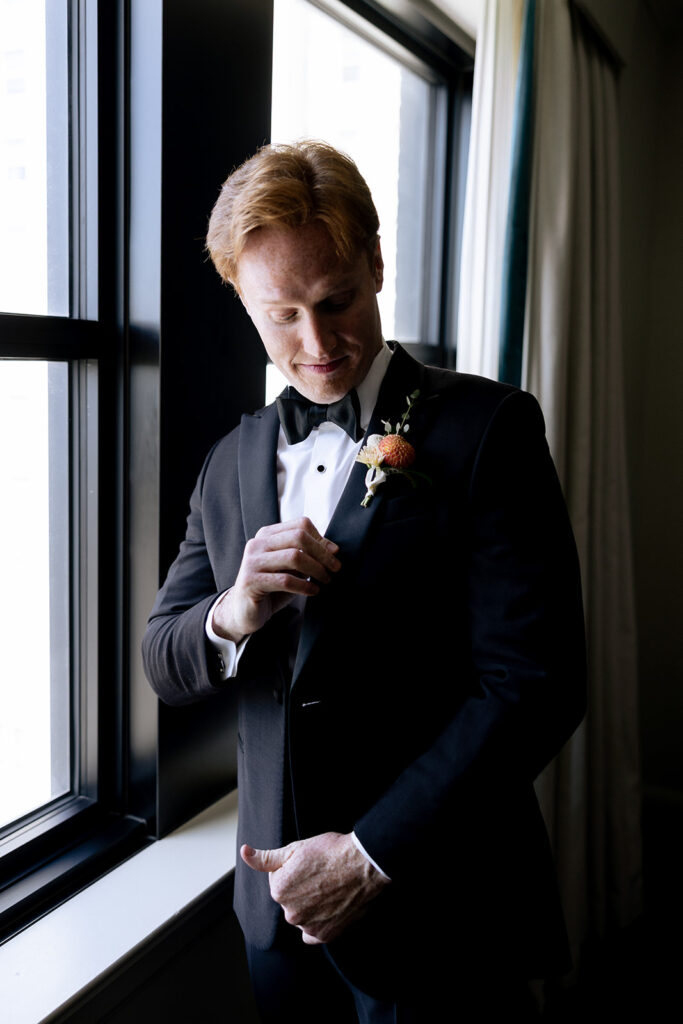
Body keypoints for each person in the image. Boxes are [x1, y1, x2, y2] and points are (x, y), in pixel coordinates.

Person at [142, 140, 586, 1023]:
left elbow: (535, 685)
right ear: (241, 301)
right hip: (274, 920)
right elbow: (164, 657)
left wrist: (369, 857)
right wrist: (231, 610)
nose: (317, 344)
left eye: (337, 300)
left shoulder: (490, 428)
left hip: (440, 905)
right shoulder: (228, 463)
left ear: (376, 263)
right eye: (283, 316)